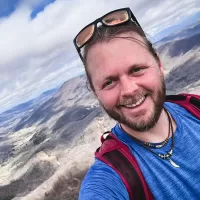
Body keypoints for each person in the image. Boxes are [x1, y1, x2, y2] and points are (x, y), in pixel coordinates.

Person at [73, 7, 200, 200]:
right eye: (109, 82)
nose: (129, 90)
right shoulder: (109, 178)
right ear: (96, 93)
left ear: (159, 65)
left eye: (137, 69)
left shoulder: (194, 107)